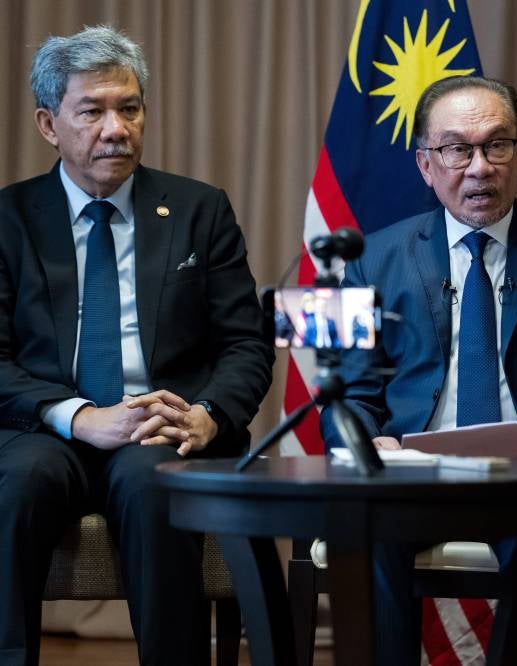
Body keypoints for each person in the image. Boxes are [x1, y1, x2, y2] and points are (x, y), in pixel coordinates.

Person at [320, 75, 517, 665]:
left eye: (496, 145)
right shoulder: (371, 262)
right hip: (413, 479)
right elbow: (348, 395)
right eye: (456, 149)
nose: (478, 167)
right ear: (425, 164)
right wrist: (372, 446)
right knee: (369, 537)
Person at [0, 26, 273, 666]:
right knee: (16, 481)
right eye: (92, 111)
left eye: (129, 107)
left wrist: (208, 415)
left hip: (161, 424)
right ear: (48, 124)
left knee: (154, 483)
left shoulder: (199, 210)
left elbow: (245, 344)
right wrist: (80, 418)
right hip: (46, 427)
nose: (116, 128)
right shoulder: (9, 219)